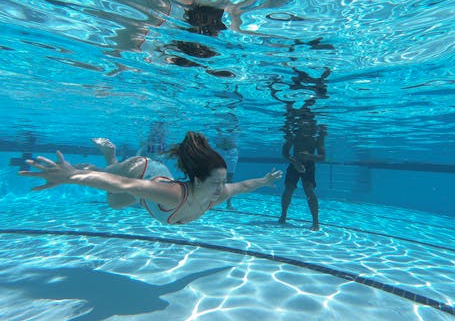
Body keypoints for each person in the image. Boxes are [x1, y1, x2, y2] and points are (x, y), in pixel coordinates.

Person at [19, 132, 282, 225]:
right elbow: (124, 184)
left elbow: (244, 185)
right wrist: (71, 176)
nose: (221, 190)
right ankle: (107, 156)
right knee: (107, 181)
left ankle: (110, 160)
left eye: (222, 184)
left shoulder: (218, 193)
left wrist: (265, 180)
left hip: (146, 191)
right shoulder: (175, 195)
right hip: (140, 170)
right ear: (197, 181)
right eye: (216, 184)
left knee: (114, 203)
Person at [278, 102, 326, 231]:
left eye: (308, 125)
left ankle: (316, 222)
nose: (305, 128)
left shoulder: (317, 138)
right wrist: (295, 162)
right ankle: (283, 215)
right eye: (302, 125)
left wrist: (310, 157)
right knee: (288, 189)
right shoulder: (294, 136)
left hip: (309, 165)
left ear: (311, 126)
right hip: (294, 164)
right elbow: (285, 153)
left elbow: (322, 157)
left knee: (309, 191)